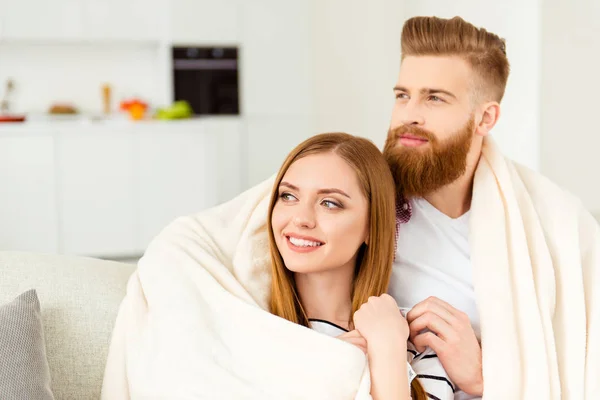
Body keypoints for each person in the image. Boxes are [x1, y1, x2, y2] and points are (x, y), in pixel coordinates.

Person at [103, 16, 599, 400]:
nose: (409, 115)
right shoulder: (354, 191)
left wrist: (484, 376)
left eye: (435, 99)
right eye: (402, 94)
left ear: (485, 117)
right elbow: (190, 246)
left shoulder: (549, 228)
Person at [266, 132, 453, 400]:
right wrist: (329, 370)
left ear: (372, 227)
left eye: (330, 203)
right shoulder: (248, 323)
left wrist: (387, 350)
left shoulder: (417, 345)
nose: (301, 218)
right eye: (288, 196)